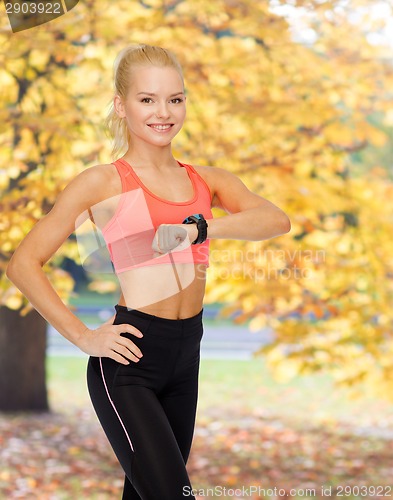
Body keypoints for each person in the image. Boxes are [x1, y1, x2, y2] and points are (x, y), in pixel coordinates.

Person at [6, 43, 291, 499]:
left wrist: (197, 229)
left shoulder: (205, 180)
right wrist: (84, 337)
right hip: (129, 360)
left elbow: (275, 220)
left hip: (186, 356)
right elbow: (23, 264)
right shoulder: (102, 181)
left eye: (175, 99)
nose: (164, 112)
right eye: (147, 99)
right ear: (122, 106)